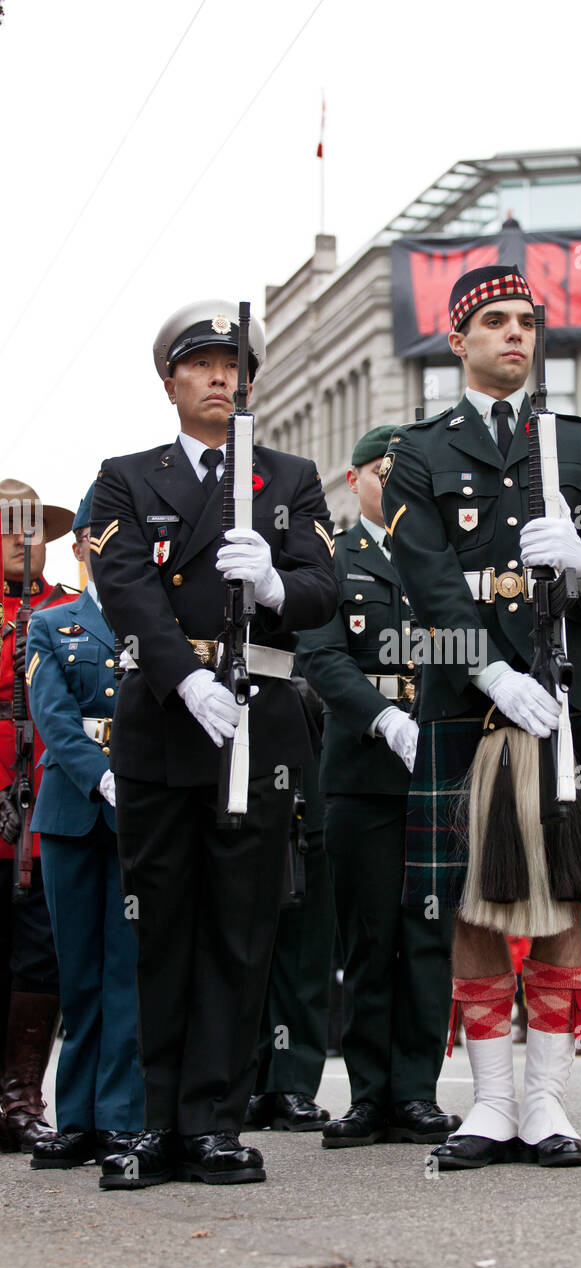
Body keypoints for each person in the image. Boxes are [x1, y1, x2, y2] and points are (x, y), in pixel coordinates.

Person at [381, 263, 581, 1170]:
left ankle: (547, 1102)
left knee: (568, 887)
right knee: (475, 897)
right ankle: (491, 1102)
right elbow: (423, 586)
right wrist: (490, 671)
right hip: (471, 699)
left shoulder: (577, 444)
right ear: (458, 339)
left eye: (526, 321)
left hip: (570, 696)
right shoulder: (422, 450)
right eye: (494, 320)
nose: (515, 335)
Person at [90, 300, 338, 1188]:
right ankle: (157, 1125)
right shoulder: (127, 479)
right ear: (171, 381)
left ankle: (215, 1123)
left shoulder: (290, 477)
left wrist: (273, 582)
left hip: (255, 724)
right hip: (166, 718)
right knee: (163, 927)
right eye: (201, 364)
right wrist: (183, 677)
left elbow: (324, 591)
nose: (221, 378)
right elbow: (123, 585)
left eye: (234, 365)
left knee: (240, 930)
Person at [296, 426, 459, 1148]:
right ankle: (367, 1095)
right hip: (363, 771)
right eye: (383, 471)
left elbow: (466, 644)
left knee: (427, 936)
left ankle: (416, 1093)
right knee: (368, 937)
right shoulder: (333, 558)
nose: (393, 484)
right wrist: (386, 719)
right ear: (355, 479)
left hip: (436, 771)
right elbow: (324, 660)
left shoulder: (441, 555)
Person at [26, 485, 144, 1168]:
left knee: (126, 968)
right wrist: (101, 775)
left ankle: (122, 1115)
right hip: (75, 809)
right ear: (78, 550)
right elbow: (53, 715)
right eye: (97, 539)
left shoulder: (153, 621)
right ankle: (75, 1118)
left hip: (138, 813)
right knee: (78, 974)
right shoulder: (51, 622)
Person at [0, 479, 76, 1152]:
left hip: (50, 807)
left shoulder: (74, 611)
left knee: (42, 955)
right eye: (10, 526)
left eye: (33, 527)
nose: (25, 538)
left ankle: (22, 1097)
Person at [244, 682, 338, 1134]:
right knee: (245, 951)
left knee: (305, 951)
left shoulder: (319, 615)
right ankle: (250, 1081)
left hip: (309, 796)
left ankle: (292, 1082)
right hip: (241, 789)